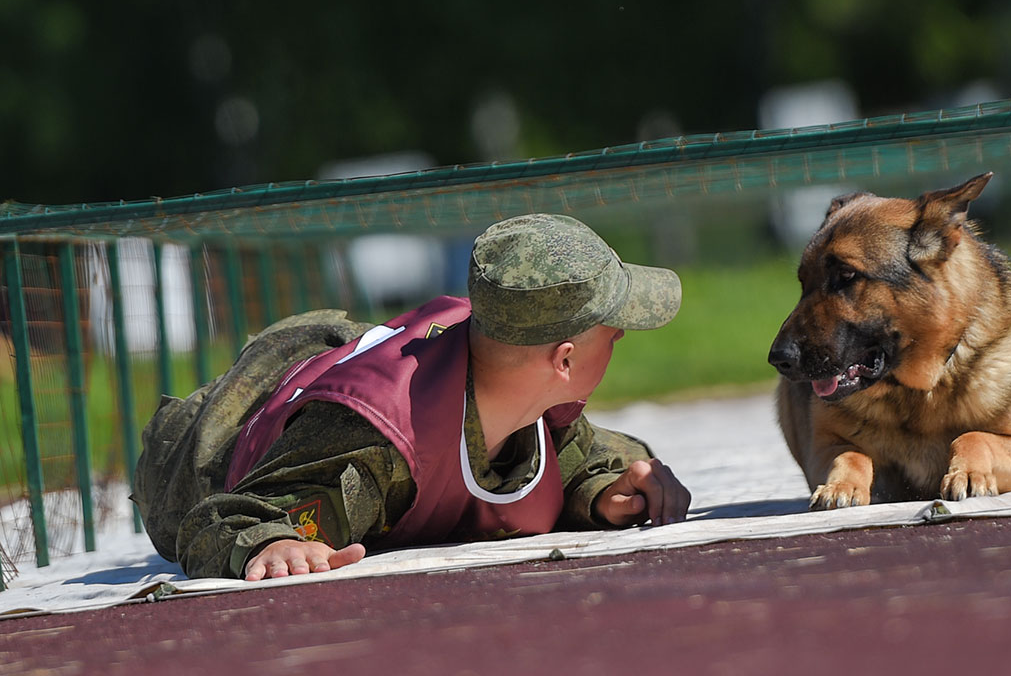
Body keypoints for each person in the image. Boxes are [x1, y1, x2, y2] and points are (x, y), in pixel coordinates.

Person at [132, 213, 691, 580]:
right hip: (216, 440)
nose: (620, 338)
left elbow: (570, 456)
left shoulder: (521, 388)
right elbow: (217, 519)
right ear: (563, 361)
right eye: (613, 331)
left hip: (362, 365)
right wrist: (267, 544)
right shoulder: (370, 450)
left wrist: (602, 490)